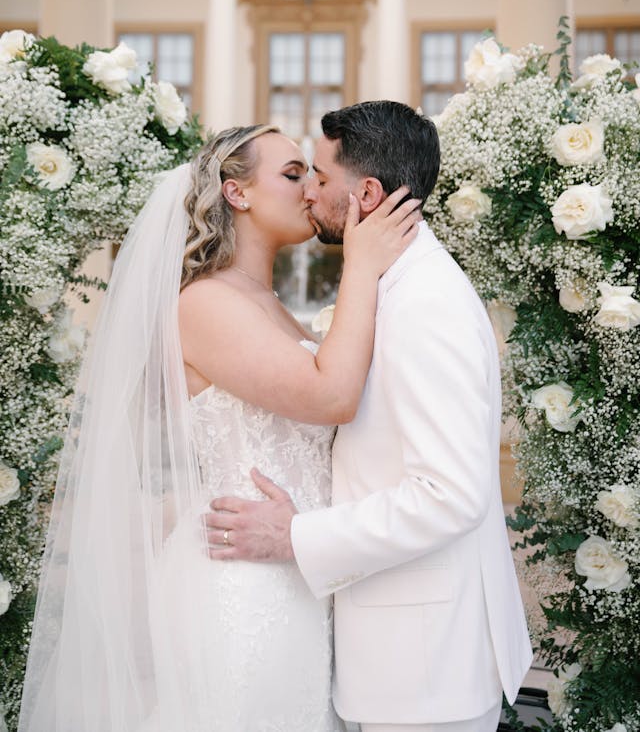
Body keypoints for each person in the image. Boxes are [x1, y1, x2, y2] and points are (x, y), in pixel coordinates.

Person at [18, 123, 421, 732]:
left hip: (295, 573)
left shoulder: (267, 303)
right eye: (292, 174)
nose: (311, 190)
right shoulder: (203, 303)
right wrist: (361, 268)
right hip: (240, 590)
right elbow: (332, 395)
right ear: (237, 194)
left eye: (313, 174)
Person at [205, 101, 533, 732]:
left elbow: (452, 496)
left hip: (424, 666)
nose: (310, 195)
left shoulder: (425, 303)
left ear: (368, 192)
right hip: (386, 649)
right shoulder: (391, 282)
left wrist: (296, 536)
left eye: (320, 179)